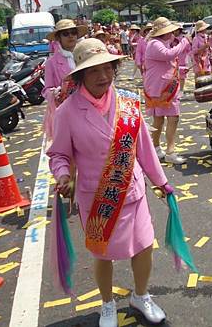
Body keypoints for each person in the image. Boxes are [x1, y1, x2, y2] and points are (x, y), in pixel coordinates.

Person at [48, 38, 172, 327]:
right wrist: (63, 175)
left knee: (143, 247)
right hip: (97, 198)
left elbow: (144, 147)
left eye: (108, 68)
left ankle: (141, 296)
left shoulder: (129, 102)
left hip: (133, 191)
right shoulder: (67, 112)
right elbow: (59, 154)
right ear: (80, 76)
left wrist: (161, 182)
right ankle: (107, 304)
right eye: (94, 71)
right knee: (102, 255)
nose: (103, 76)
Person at [144, 17, 192, 165]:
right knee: (172, 117)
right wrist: (185, 42)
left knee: (159, 119)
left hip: (162, 86)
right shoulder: (154, 44)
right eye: (171, 31)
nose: (174, 33)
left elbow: (168, 63)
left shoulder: (161, 43)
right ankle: (170, 151)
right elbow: (169, 55)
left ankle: (156, 148)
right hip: (161, 88)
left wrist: (181, 69)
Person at [42, 19, 88, 139]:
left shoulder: (86, 56)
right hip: (66, 111)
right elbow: (46, 90)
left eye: (73, 32)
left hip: (88, 107)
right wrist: (56, 93)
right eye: (65, 33)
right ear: (58, 37)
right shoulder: (51, 63)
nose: (71, 36)